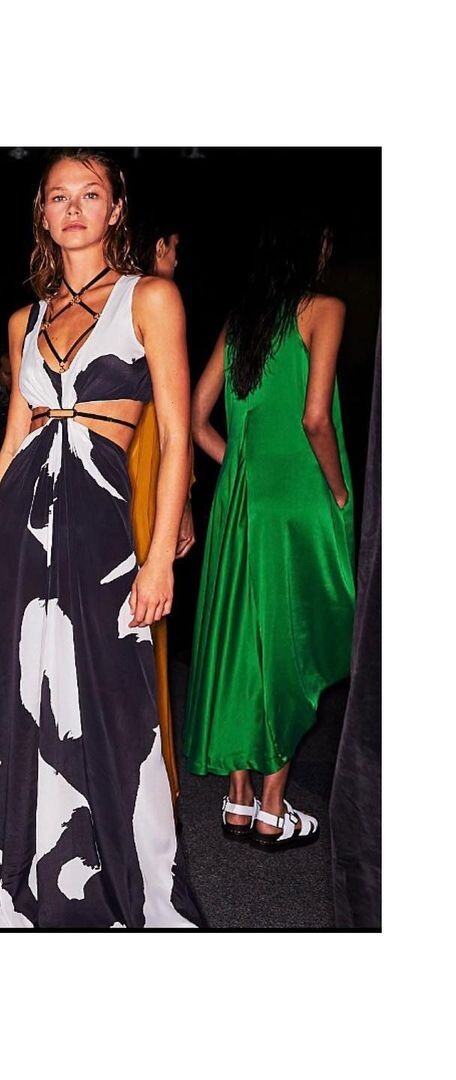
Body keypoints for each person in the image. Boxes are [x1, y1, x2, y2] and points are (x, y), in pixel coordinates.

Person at [0, 150, 201, 927]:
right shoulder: (24, 320)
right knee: (23, 698)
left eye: (89, 194)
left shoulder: (150, 298)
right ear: (42, 212)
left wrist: (158, 559)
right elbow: (12, 444)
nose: (72, 209)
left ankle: (133, 890)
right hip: (22, 527)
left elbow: (177, 437)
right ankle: (29, 885)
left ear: (115, 208)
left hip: (102, 530)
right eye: (58, 196)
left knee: (112, 707)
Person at [184, 220, 355, 851]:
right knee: (290, 640)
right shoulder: (326, 309)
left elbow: (196, 418)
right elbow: (315, 417)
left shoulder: (242, 322)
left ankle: (238, 798)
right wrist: (338, 491)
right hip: (297, 500)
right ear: (317, 249)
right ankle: (273, 809)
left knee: (240, 640)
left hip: (240, 501)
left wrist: (239, 468)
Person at [127, 216, 195, 801]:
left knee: (144, 619)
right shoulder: (151, 302)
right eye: (173, 247)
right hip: (136, 476)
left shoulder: (140, 304)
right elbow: (174, 424)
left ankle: (149, 784)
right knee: (143, 633)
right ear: (157, 246)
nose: (176, 258)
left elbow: (178, 427)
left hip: (149, 474)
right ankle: (148, 783)